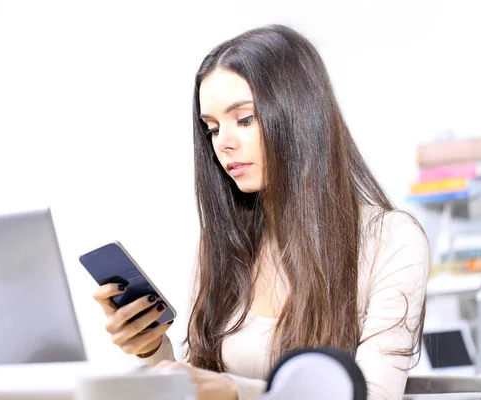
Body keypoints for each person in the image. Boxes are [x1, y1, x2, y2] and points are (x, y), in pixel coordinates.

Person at [92, 24, 429, 400]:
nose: (224, 143)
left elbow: (373, 395)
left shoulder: (391, 240)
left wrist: (235, 390)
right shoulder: (220, 245)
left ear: (300, 115)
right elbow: (200, 385)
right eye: (212, 128)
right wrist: (153, 349)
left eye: (245, 119)